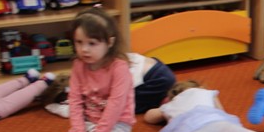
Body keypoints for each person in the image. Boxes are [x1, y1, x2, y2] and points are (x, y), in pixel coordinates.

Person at [50, 8, 137, 132]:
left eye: (92, 43)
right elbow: (74, 100)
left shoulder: (119, 68)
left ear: (110, 42)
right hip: (88, 120)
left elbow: (115, 105)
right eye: (79, 42)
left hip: (116, 124)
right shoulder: (78, 65)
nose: (84, 49)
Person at [44, 53, 178, 117]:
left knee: (115, 109)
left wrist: (53, 107)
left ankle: (164, 102)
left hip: (156, 79)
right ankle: (164, 100)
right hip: (156, 68)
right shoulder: (90, 66)